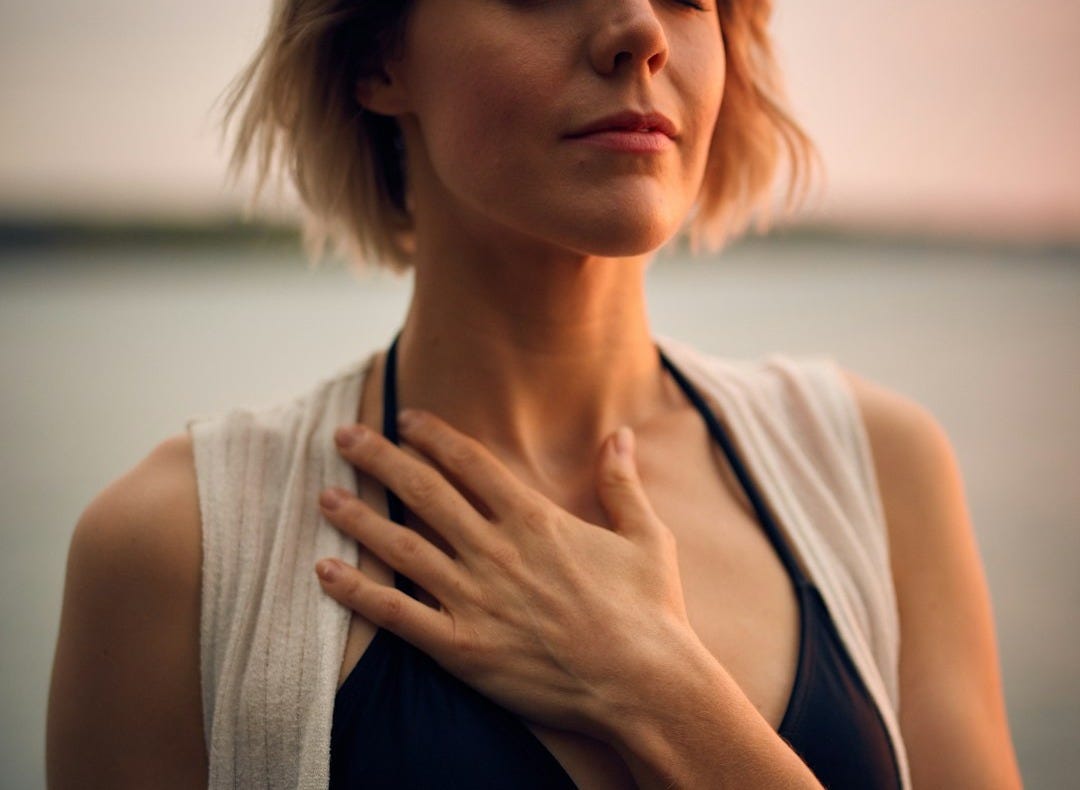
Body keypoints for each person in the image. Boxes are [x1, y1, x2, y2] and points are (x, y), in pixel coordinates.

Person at [46, 0, 1024, 788]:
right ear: (378, 58)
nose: (640, 27)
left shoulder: (877, 467)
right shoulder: (178, 549)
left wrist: (661, 691)